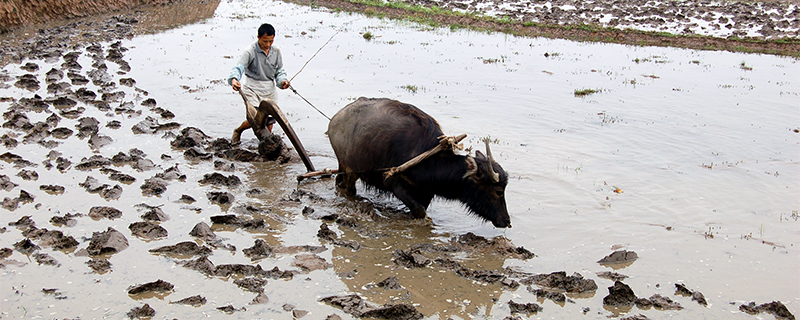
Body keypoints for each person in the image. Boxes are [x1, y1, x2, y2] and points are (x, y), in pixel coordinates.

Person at [227, 23, 291, 144]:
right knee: (257, 118)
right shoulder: (250, 51)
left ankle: (267, 143)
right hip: (252, 87)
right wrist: (234, 79)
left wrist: (282, 82)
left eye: (270, 41)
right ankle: (238, 130)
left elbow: (279, 71)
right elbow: (239, 67)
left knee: (270, 120)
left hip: (269, 88)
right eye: (265, 41)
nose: (267, 45)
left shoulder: (276, 52)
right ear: (258, 37)